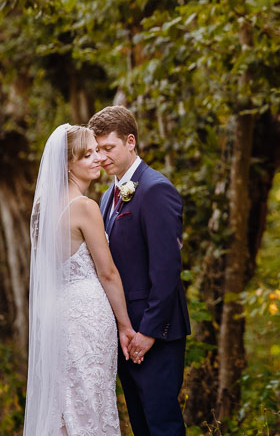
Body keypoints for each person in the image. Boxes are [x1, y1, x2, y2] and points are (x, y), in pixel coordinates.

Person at [24, 124, 136, 436]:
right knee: (90, 402)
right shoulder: (85, 207)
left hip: (58, 314)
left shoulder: (42, 211)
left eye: (98, 151)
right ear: (68, 165)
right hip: (87, 317)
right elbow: (108, 273)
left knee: (67, 403)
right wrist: (125, 326)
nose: (98, 158)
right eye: (87, 155)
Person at [89, 105, 190, 436]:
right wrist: (123, 329)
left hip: (155, 333)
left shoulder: (155, 189)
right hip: (124, 333)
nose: (102, 157)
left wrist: (147, 332)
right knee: (141, 425)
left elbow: (166, 269)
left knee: (163, 425)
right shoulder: (106, 197)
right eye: (97, 149)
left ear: (130, 142)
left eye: (108, 148)